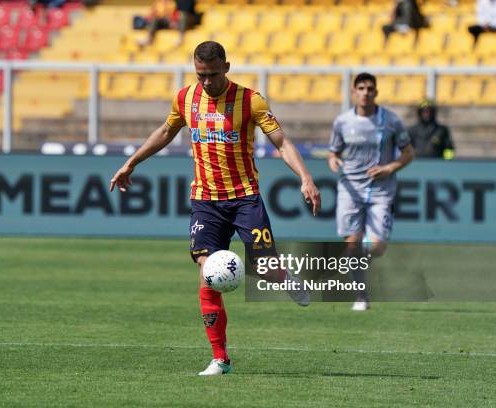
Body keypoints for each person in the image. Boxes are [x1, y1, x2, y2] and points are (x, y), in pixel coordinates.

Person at [110, 41, 321, 376]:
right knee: (207, 272)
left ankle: (282, 276)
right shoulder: (185, 98)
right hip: (206, 200)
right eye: (200, 74)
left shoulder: (250, 100)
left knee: (264, 266)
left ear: (226, 66)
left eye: (211, 74)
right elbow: (166, 131)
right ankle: (220, 358)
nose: (206, 81)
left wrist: (306, 178)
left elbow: (281, 142)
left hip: (245, 197)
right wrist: (131, 162)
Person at [328, 72, 414, 311]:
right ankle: (361, 295)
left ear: (376, 92)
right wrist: (333, 161)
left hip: (380, 190)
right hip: (350, 189)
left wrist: (390, 167)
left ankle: (355, 255)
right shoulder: (342, 122)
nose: (365, 93)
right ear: (354, 92)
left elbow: (408, 153)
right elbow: (334, 152)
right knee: (352, 244)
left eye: (370, 89)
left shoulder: (391, 121)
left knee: (376, 248)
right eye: (361, 88)